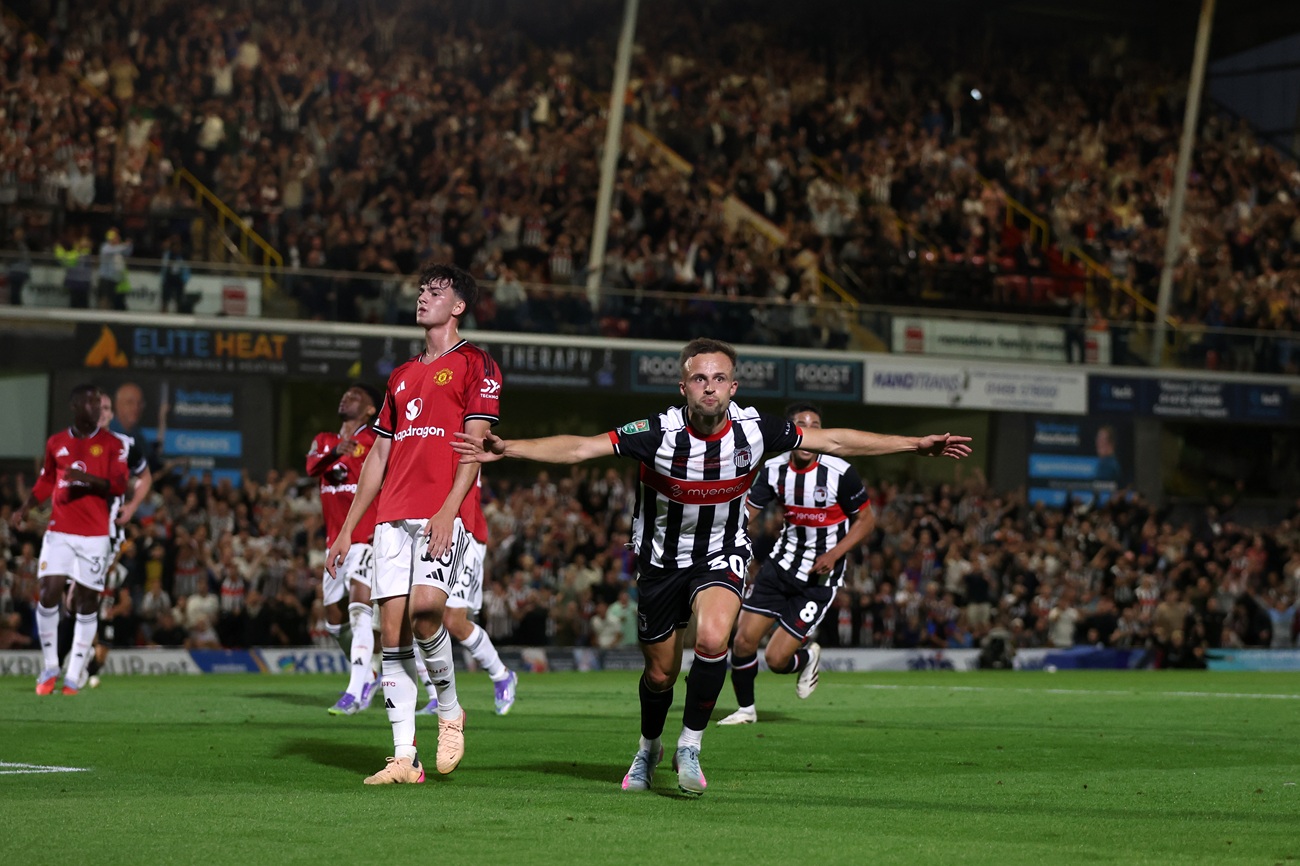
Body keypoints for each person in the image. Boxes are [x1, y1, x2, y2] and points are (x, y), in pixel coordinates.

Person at [453, 337, 972, 796]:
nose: (710, 386)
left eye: (719, 378)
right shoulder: (656, 431)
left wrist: (914, 444)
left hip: (723, 554)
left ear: (733, 385)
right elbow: (584, 447)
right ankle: (647, 747)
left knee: (714, 639)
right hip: (659, 562)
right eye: (699, 378)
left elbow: (832, 440)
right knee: (659, 674)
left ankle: (690, 746)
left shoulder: (756, 429)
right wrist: (512, 448)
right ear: (683, 386)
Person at [326, 261, 501, 785]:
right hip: (390, 519)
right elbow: (378, 456)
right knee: (393, 634)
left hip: (441, 511)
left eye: (437, 291)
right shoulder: (401, 375)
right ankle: (405, 757)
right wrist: (346, 529)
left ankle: (449, 710)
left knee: (429, 613)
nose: (424, 296)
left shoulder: (477, 364)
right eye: (422, 289)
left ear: (459, 306)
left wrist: (450, 508)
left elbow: (473, 443)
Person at [716, 402, 876, 726]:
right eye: (801, 424)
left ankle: (807, 657)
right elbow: (748, 513)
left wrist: (834, 554)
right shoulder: (773, 469)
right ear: (792, 432)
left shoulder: (839, 472)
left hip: (818, 580)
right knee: (743, 640)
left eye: (816, 424)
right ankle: (746, 710)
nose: (809, 430)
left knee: (776, 660)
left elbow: (867, 520)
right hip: (780, 565)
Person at [10, 384, 128, 695]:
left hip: (94, 536)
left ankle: (74, 674)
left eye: (100, 404)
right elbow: (48, 479)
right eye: (91, 403)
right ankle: (50, 666)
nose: (97, 408)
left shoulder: (113, 444)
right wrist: (26, 507)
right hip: (60, 530)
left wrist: (87, 480)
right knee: (48, 592)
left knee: (87, 602)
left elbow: (118, 485)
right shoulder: (56, 442)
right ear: (75, 406)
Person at [306, 383, 383, 715]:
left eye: (355, 396)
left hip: (366, 537)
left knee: (358, 609)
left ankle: (354, 690)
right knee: (335, 623)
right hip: (335, 543)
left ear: (369, 410)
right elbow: (312, 468)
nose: (345, 397)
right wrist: (337, 450)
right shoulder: (324, 441)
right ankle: (370, 669)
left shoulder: (376, 441)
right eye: (344, 394)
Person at [72, 391, 154, 688]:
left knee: (88, 591)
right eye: (97, 408)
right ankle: (79, 659)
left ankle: (80, 666)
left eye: (107, 408)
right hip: (77, 530)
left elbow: (145, 478)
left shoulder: (125, 444)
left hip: (106, 532)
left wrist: (131, 507)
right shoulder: (75, 444)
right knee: (74, 596)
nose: (102, 413)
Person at [422, 472, 519, 715]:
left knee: (454, 621)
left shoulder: (462, 439)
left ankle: (501, 675)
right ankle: (436, 695)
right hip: (426, 530)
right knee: (417, 615)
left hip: (465, 532)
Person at [97, 229, 133, 310]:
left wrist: (129, 244)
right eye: (115, 238)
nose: (118, 239)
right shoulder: (105, 247)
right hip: (105, 279)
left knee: (112, 302)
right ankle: (102, 321)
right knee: (104, 301)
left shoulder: (118, 249)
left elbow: (127, 253)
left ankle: (109, 321)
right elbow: (115, 250)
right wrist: (125, 245)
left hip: (114, 280)